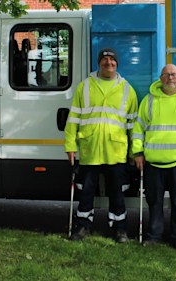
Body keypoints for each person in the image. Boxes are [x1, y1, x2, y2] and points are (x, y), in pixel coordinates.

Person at [64, 48, 138, 243]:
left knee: (118, 192)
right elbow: (73, 119)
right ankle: (83, 226)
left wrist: (134, 151)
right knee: (86, 191)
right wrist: (70, 145)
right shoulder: (85, 86)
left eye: (112, 60)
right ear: (99, 63)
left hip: (116, 150)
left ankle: (120, 229)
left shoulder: (127, 89)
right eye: (105, 59)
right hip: (90, 149)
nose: (109, 63)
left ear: (117, 63)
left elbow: (132, 125)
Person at [132, 64, 176, 250]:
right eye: (166, 75)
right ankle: (154, 235)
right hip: (152, 163)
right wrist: (137, 153)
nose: (170, 78)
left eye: (174, 75)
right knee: (154, 202)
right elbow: (138, 130)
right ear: (160, 78)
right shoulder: (148, 100)